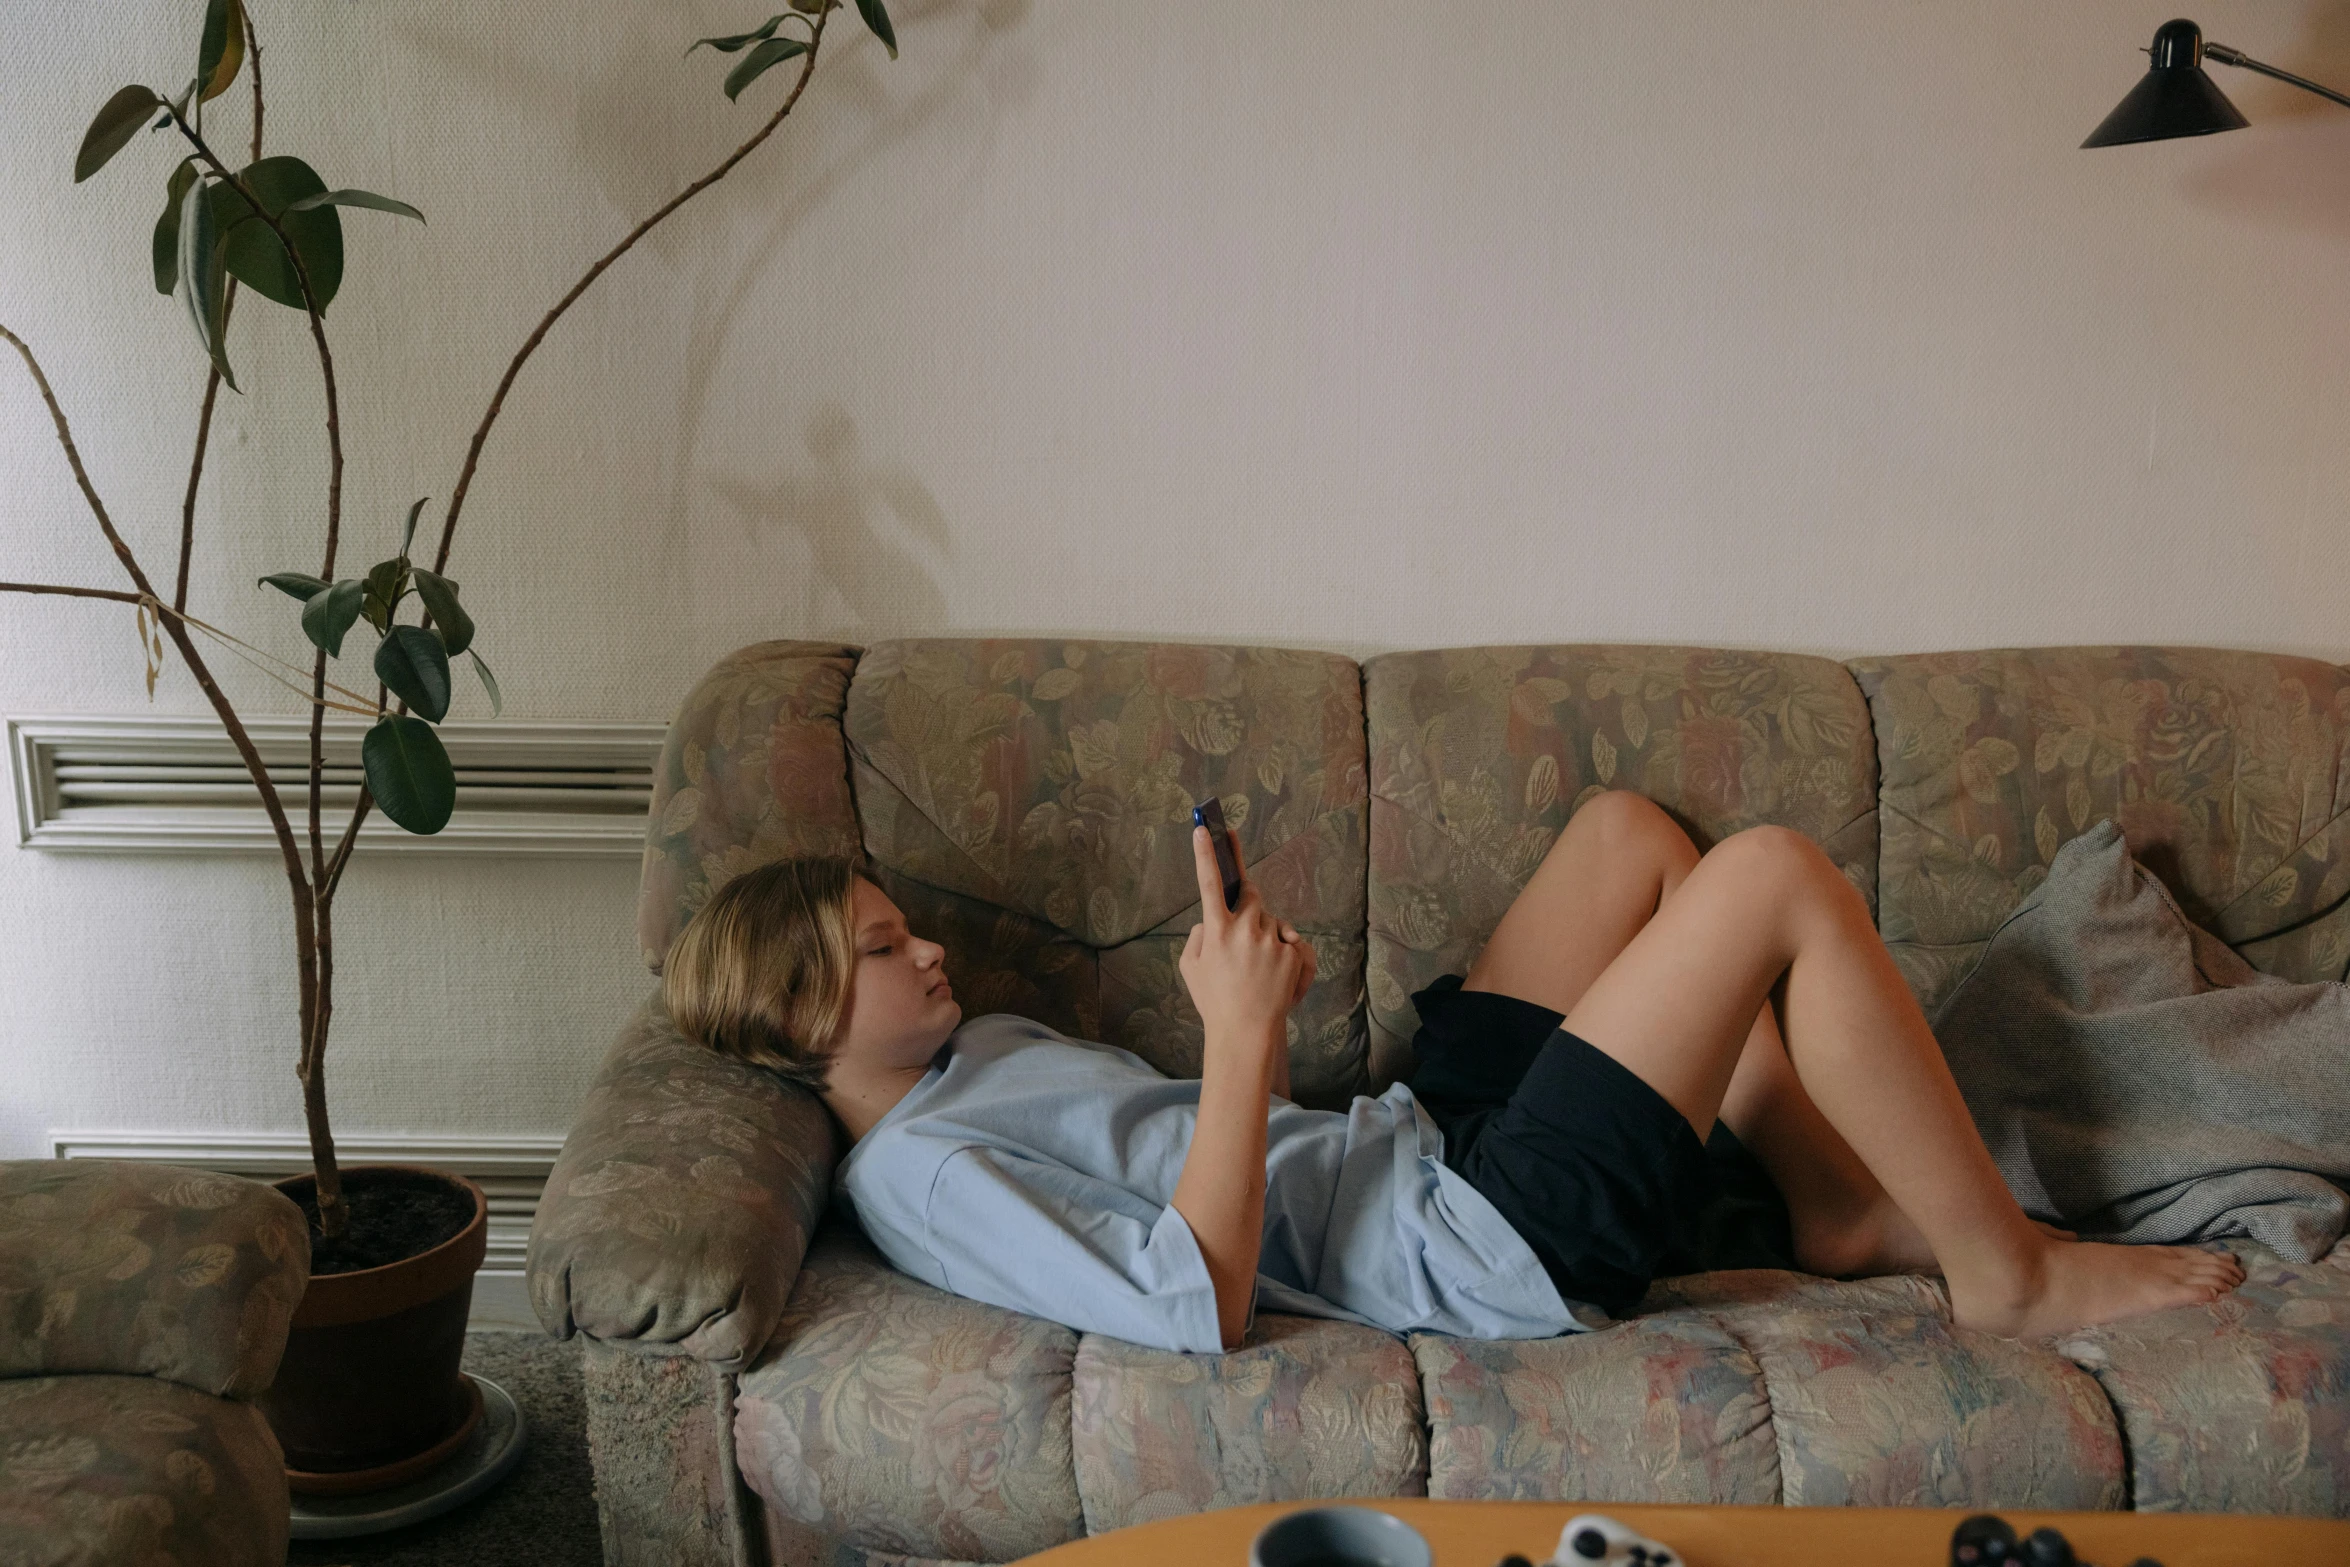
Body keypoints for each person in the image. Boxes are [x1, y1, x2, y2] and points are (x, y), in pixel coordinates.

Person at [660, 791, 2244, 1355]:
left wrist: (1254, 1038)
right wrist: (1240, 1039)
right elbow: (1191, 1301)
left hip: (1400, 1142)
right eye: (880, 950)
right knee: (1767, 874)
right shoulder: (922, 1175)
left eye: (907, 928)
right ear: (802, 1019)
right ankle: (2007, 1273)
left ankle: (1831, 1202)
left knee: (1627, 834)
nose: (926, 950)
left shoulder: (970, 1046)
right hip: (1473, 1241)